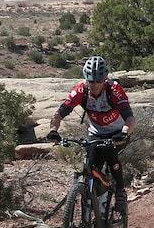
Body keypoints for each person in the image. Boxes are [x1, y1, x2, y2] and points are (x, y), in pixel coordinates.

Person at [47, 56, 134, 212]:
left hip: (118, 132)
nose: (93, 84)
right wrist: (53, 130)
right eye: (90, 81)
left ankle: (120, 191)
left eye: (98, 81)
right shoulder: (81, 90)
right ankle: (94, 202)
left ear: (104, 79)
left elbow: (130, 117)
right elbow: (60, 113)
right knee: (92, 164)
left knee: (110, 152)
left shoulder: (114, 90)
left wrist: (125, 132)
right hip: (95, 133)